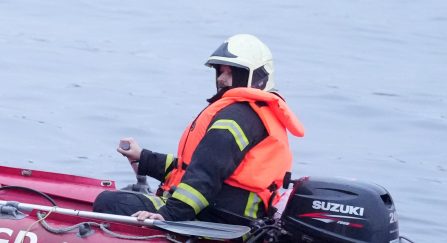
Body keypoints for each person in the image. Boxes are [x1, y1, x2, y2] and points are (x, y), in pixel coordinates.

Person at [94, 34, 305, 223]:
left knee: (109, 202)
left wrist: (170, 214)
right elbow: (191, 167)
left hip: (218, 219)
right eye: (221, 71)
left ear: (255, 76)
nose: (221, 78)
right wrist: (143, 158)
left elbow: (206, 174)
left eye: (230, 73)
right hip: (229, 213)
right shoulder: (256, 113)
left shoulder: (236, 118)